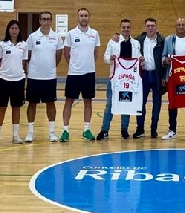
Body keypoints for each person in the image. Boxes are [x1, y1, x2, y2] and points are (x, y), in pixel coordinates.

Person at [97, 20, 142, 140]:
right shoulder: (113, 41)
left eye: (128, 27)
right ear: (120, 28)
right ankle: (104, 130)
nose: (126, 29)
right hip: (115, 79)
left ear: (130, 28)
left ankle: (124, 129)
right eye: (124, 27)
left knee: (126, 103)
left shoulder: (136, 43)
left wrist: (142, 59)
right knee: (110, 105)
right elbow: (105, 57)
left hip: (129, 80)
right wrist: (110, 58)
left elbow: (139, 58)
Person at [60, 8, 100, 142]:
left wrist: (87, 65)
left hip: (89, 73)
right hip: (74, 74)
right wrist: (74, 65)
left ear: (89, 17)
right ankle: (65, 131)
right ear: (78, 17)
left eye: (86, 16)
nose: (84, 18)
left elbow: (96, 53)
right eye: (81, 16)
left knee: (88, 102)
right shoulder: (71, 34)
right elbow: (66, 53)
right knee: (68, 102)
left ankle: (86, 129)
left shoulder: (94, 33)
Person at [25, 11, 63, 142]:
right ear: (40, 21)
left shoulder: (56, 37)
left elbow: (59, 55)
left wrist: (51, 67)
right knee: (32, 104)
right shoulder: (32, 37)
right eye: (43, 19)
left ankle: (52, 132)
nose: (46, 22)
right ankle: (30, 132)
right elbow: (28, 56)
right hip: (34, 76)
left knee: (50, 104)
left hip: (50, 77)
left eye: (48, 19)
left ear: (51, 21)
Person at [162, 18, 185, 141]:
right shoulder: (168, 40)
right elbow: (163, 56)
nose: (181, 27)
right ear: (175, 26)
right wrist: (165, 61)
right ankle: (172, 129)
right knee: (173, 103)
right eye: (179, 25)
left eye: (183, 25)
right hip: (173, 76)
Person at [0, 20, 28, 145]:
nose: (14, 30)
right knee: (1, 108)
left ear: (19, 30)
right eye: (12, 28)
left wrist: (20, 74)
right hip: (3, 80)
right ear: (8, 30)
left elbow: (24, 62)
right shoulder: (2, 45)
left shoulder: (24, 45)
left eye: (16, 28)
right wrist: (3, 73)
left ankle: (15, 135)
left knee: (16, 108)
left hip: (18, 80)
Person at [134, 18, 165, 139]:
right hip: (144, 75)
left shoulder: (162, 41)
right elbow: (125, 40)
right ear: (145, 27)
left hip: (157, 75)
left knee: (157, 103)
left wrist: (164, 76)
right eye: (148, 26)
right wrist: (115, 37)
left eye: (153, 26)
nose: (150, 28)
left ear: (156, 27)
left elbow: (165, 58)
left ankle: (153, 128)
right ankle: (140, 128)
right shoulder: (139, 40)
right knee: (140, 103)